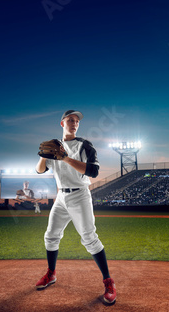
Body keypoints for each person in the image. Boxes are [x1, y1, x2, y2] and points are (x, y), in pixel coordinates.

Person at [35, 110, 117, 304]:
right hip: (61, 197)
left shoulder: (85, 145)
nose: (74, 123)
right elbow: (40, 170)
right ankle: (51, 274)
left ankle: (108, 282)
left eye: (77, 121)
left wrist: (65, 158)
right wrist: (42, 155)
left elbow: (93, 171)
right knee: (51, 235)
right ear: (62, 123)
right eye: (70, 120)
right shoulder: (53, 145)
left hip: (80, 195)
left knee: (89, 238)